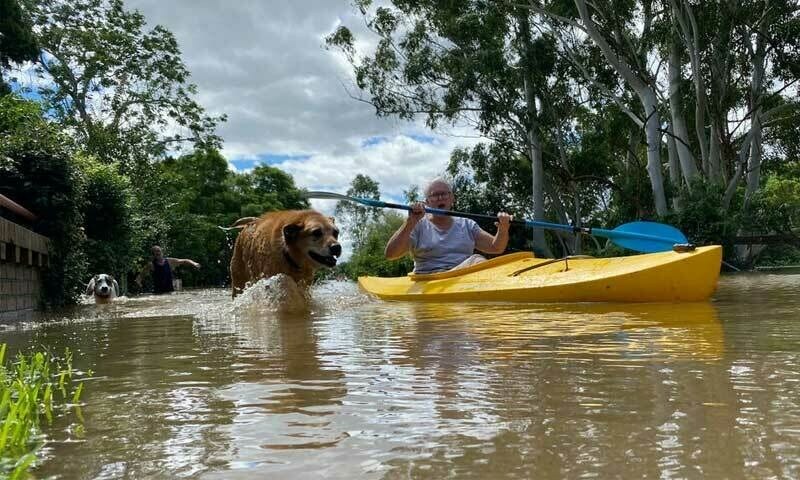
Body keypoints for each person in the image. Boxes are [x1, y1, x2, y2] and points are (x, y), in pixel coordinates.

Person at [385, 178, 512, 274]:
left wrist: (503, 229)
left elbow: (496, 248)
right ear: (427, 202)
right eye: (434, 195)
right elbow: (391, 254)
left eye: (444, 194)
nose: (440, 198)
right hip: (428, 279)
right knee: (476, 260)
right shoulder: (417, 224)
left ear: (452, 198)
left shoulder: (467, 224)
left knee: (477, 261)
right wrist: (410, 222)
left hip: (464, 277)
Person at [135, 245, 201, 294]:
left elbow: (184, 260)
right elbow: (141, 275)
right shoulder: (151, 265)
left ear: (161, 252)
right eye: (155, 252)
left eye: (158, 251)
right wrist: (138, 282)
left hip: (170, 291)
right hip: (158, 293)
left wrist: (194, 263)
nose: (157, 253)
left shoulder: (169, 261)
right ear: (153, 255)